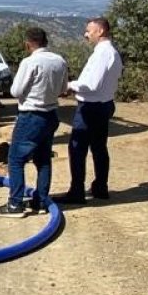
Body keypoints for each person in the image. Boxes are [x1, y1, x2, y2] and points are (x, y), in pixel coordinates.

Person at [0, 28, 67, 218]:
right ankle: (41, 201)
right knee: (43, 160)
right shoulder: (59, 60)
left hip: (31, 115)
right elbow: (63, 88)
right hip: (51, 114)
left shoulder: (30, 62)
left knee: (16, 159)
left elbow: (16, 91)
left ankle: (15, 204)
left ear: (28, 43)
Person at [55, 17, 123, 204]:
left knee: (77, 148)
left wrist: (69, 85)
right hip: (104, 103)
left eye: (89, 31)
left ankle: (77, 191)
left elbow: (91, 84)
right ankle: (100, 186)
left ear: (100, 31)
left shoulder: (102, 54)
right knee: (99, 147)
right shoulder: (112, 52)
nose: (86, 34)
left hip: (91, 107)